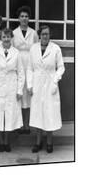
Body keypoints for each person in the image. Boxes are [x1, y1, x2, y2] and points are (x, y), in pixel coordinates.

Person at [27, 25, 65, 153]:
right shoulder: (33, 49)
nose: (45, 36)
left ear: (50, 35)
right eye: (43, 34)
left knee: (50, 114)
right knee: (38, 114)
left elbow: (61, 67)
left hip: (50, 85)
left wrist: (55, 81)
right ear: (39, 35)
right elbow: (29, 68)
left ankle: (49, 142)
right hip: (37, 84)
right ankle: (38, 142)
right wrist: (30, 85)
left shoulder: (55, 49)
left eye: (47, 34)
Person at [0, 28, 24, 152]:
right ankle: (0, 141)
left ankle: (6, 141)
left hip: (11, 86)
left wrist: (19, 90)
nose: (6, 39)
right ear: (1, 38)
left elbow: (21, 73)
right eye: (4, 36)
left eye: (8, 36)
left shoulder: (16, 53)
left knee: (9, 114)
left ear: (11, 38)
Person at [12, 6, 38, 134]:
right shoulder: (14, 33)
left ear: (29, 18)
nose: (24, 18)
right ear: (18, 18)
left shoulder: (33, 33)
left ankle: (27, 125)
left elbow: (37, 49)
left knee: (28, 94)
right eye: (22, 16)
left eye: (26, 16)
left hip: (30, 63)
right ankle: (20, 125)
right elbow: (11, 50)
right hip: (18, 64)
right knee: (19, 94)